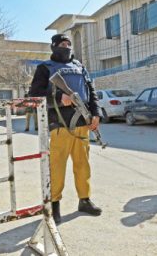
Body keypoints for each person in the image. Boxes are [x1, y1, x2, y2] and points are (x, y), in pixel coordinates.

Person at [29, 34, 102, 224]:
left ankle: (84, 200)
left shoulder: (80, 67)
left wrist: (96, 114)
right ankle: (54, 206)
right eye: (62, 44)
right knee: (57, 168)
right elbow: (34, 96)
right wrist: (58, 98)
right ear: (54, 47)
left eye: (69, 44)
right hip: (59, 126)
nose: (67, 46)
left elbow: (91, 92)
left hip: (82, 125)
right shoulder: (44, 68)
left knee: (83, 165)